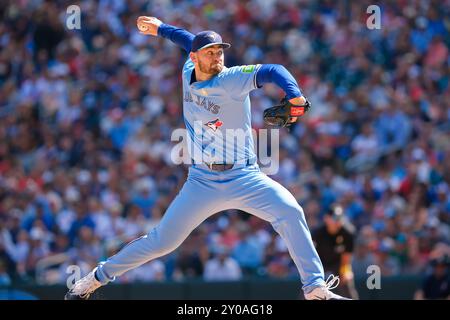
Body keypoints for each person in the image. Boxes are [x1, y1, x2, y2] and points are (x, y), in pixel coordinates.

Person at [65, 16, 349, 300]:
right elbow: (187, 38)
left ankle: (314, 289)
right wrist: (161, 29)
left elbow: (275, 70)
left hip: (244, 176)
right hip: (202, 180)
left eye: (219, 51)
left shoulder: (231, 78)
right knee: (162, 241)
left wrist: (295, 95)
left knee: (291, 211)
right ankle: (92, 281)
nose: (216, 57)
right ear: (195, 58)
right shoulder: (189, 68)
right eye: (210, 52)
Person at [312, 204, 359, 299]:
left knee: (347, 284)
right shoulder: (318, 233)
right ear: (326, 218)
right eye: (334, 218)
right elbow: (312, 255)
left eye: (339, 218)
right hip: (320, 264)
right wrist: (313, 273)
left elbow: (346, 256)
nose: (337, 220)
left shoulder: (348, 232)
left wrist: (346, 271)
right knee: (310, 288)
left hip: (338, 264)